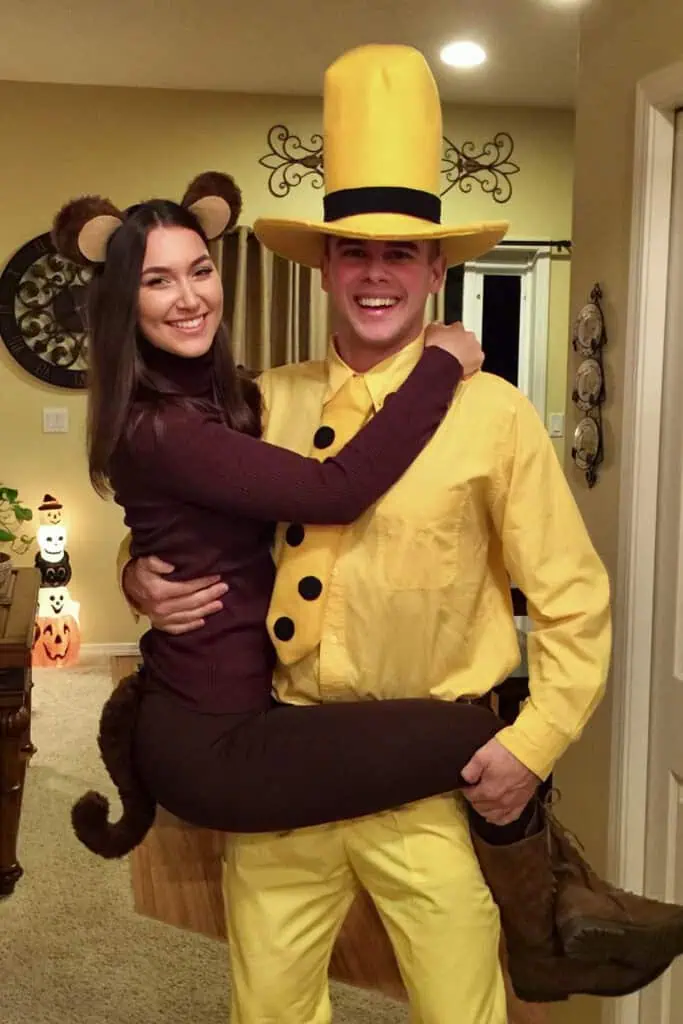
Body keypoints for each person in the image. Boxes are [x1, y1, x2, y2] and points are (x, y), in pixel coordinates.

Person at [119, 44, 683, 1018]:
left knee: (459, 1008)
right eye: (353, 251)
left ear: (433, 268)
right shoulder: (259, 400)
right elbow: (179, 502)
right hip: (278, 770)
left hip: (429, 791)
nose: (373, 274)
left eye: (398, 252)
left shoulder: (494, 414)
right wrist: (137, 573)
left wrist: (532, 743)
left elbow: (573, 598)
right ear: (324, 265)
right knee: (269, 1010)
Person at [57, 170, 548, 853]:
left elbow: (186, 527)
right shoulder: (164, 426)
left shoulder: (236, 399)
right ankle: (558, 928)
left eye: (199, 270)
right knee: (477, 736)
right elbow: (335, 492)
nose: (189, 296)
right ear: (121, 302)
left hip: (242, 704)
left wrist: (136, 570)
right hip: (214, 742)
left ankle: (558, 914)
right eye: (156, 280)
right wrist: (438, 364)